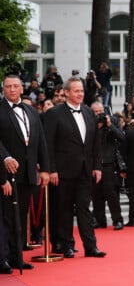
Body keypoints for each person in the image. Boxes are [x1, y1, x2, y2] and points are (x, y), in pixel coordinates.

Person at [44, 77, 106, 258]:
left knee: (84, 208)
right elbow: (48, 144)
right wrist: (51, 169)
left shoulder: (88, 112)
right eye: (76, 91)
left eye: (82, 91)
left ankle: (90, 246)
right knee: (64, 209)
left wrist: (97, 166)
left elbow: (95, 143)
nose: (80, 94)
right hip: (63, 171)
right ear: (66, 93)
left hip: (85, 170)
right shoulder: (54, 114)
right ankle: (66, 245)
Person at [0, 75, 50, 270]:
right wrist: (4, 163)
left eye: (15, 86)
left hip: (28, 173)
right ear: (3, 89)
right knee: (5, 217)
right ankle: (2, 258)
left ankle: (16, 257)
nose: (12, 89)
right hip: (6, 173)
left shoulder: (31, 111)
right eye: (8, 86)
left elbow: (40, 142)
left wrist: (45, 169)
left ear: (22, 89)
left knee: (20, 216)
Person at [90, 102, 124, 231]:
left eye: (100, 111)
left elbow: (121, 137)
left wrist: (109, 125)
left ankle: (117, 220)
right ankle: (99, 220)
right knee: (96, 194)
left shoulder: (112, 122)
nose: (98, 114)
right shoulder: (89, 123)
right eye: (95, 111)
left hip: (108, 163)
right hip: (94, 164)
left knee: (111, 193)